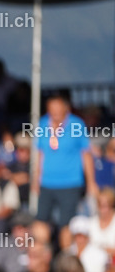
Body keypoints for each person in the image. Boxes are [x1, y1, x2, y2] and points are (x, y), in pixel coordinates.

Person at [35, 94, 96, 230]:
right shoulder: (43, 124)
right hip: (46, 183)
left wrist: (91, 182)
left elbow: (85, 154)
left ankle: (66, 251)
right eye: (51, 108)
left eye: (57, 108)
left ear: (65, 108)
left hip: (70, 183)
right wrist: (36, 180)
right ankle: (41, 250)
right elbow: (40, 154)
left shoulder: (77, 124)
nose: (54, 112)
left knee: (66, 224)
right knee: (40, 221)